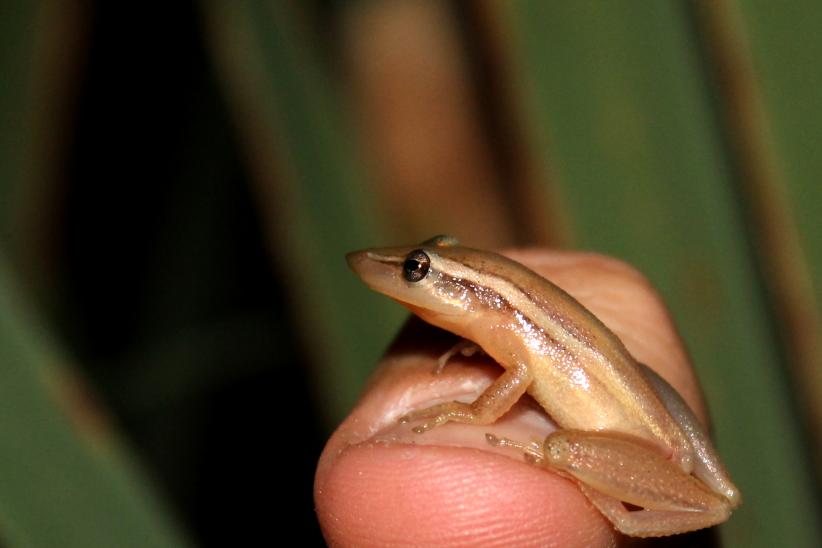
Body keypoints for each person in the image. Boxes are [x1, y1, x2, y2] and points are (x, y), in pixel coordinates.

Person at [315, 250, 716, 546]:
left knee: (561, 448)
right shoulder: (496, 320)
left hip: (642, 446)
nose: (401, 274)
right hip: (657, 434)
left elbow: (521, 370)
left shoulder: (499, 317)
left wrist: (476, 412)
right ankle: (715, 492)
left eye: (416, 270)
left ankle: (631, 517)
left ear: (467, 290)